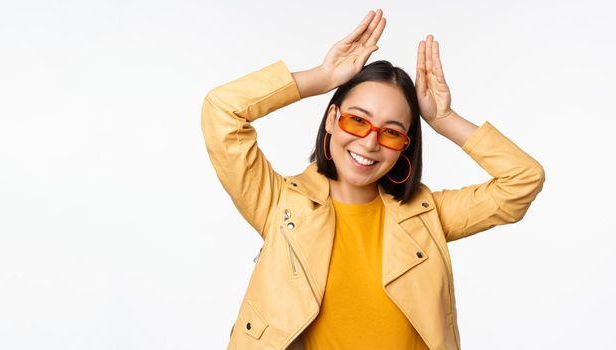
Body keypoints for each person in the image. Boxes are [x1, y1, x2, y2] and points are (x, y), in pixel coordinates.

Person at [200, 9, 545, 350]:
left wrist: (443, 118)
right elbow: (222, 111)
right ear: (332, 119)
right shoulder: (280, 204)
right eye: (357, 121)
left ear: (404, 148)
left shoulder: (426, 216)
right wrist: (320, 77)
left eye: (392, 133)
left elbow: (523, 180)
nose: (370, 142)